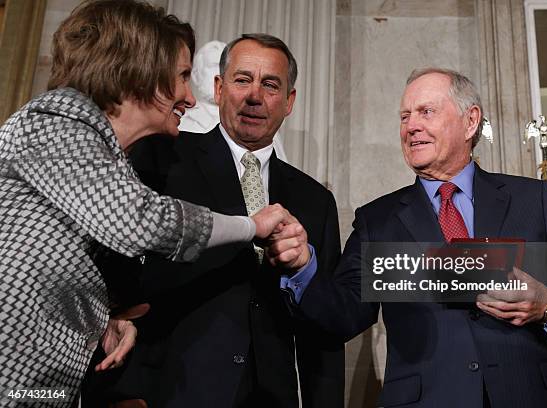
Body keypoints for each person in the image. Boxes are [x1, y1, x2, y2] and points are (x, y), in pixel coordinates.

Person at [0, 1, 288, 405]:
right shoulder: (54, 122)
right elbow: (144, 222)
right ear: (142, 74)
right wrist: (251, 227)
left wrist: (108, 318)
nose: (190, 97)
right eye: (183, 76)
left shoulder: (106, 156)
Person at [283, 68, 547, 407]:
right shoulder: (378, 220)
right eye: (404, 116)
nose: (411, 126)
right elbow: (343, 315)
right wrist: (303, 268)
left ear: (470, 122)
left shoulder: (532, 200)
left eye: (427, 112)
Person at [99, 34, 344, 407]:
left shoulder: (316, 201)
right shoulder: (163, 158)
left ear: (289, 101)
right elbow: (109, 281)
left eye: (270, 84)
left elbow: (323, 336)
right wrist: (118, 392)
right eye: (242, 79)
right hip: (166, 393)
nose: (254, 96)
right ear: (219, 87)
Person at [179, 40, 289, 161]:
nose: (219, 71)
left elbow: (280, 168)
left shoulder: (264, 126)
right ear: (195, 74)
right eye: (213, 66)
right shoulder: (181, 119)